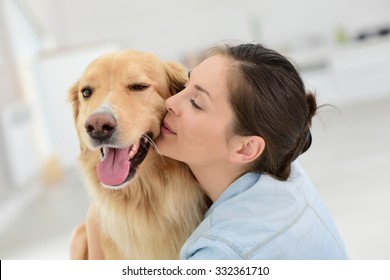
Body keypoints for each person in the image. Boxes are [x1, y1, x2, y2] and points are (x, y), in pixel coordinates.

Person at [71, 43, 348, 259]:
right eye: (186, 86)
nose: (171, 102)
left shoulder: (220, 254)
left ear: (247, 146)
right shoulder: (285, 168)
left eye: (196, 102)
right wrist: (97, 221)